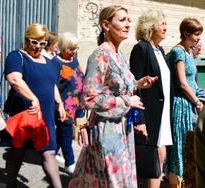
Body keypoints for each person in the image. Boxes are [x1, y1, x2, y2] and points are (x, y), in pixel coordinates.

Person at [68, 5, 157, 188]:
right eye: (122, 20)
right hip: (107, 130)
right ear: (106, 25)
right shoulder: (100, 55)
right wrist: (126, 101)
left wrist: (138, 83)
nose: (128, 24)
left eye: (128, 20)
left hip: (123, 128)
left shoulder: (118, 54)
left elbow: (116, 85)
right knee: (113, 182)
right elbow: (89, 98)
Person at [4, 23, 65, 188]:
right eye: (34, 42)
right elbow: (14, 79)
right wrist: (33, 98)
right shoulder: (17, 56)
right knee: (18, 152)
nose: (37, 47)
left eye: (42, 43)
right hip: (25, 113)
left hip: (46, 114)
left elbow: (51, 84)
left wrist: (59, 103)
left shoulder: (51, 62)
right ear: (26, 40)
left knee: (49, 152)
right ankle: (11, 184)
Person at [129, 9, 173, 188]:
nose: (165, 27)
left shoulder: (160, 50)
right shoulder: (141, 48)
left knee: (161, 154)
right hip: (150, 112)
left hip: (162, 111)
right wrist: (139, 119)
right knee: (153, 156)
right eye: (162, 24)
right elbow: (135, 85)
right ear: (151, 27)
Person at [165, 17, 203, 188]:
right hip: (181, 105)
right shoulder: (179, 52)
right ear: (186, 33)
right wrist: (196, 101)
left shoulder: (188, 51)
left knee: (187, 147)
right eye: (196, 34)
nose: (198, 38)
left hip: (189, 105)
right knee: (178, 147)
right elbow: (182, 83)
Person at [52, 32, 84, 174]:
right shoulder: (55, 63)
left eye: (75, 48)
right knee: (66, 134)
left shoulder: (74, 60)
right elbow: (53, 86)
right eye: (70, 49)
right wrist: (58, 105)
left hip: (76, 104)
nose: (73, 52)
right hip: (64, 106)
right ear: (63, 48)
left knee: (61, 132)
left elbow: (80, 76)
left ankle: (50, 154)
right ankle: (69, 163)